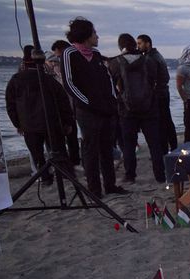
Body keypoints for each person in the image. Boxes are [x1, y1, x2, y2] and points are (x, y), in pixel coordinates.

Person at [62, 18, 127, 197]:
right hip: (87, 112)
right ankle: (94, 189)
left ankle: (110, 185)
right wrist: (88, 103)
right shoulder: (69, 54)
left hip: (107, 110)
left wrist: (113, 102)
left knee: (106, 149)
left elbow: (108, 80)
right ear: (85, 35)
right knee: (90, 151)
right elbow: (69, 84)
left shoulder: (96, 54)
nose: (97, 36)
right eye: (94, 33)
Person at [5, 45, 74, 186]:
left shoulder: (16, 80)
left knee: (38, 156)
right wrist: (67, 122)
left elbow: (10, 105)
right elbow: (63, 102)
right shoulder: (48, 80)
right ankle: (66, 176)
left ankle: (46, 178)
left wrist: (17, 124)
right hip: (51, 122)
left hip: (29, 124)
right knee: (58, 152)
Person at [108, 33, 165, 184]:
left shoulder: (115, 63)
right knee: (154, 143)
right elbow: (155, 80)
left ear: (121, 46)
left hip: (127, 110)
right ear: (135, 44)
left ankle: (130, 175)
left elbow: (113, 85)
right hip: (149, 107)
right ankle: (160, 175)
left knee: (128, 144)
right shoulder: (149, 61)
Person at [136, 34, 177, 152]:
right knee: (167, 120)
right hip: (164, 92)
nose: (138, 46)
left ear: (147, 43)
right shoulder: (157, 55)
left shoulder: (150, 58)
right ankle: (173, 146)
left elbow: (150, 79)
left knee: (160, 123)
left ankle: (164, 150)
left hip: (158, 94)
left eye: (140, 43)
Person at [50, 39, 80, 166]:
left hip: (72, 104)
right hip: (68, 105)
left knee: (72, 135)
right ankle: (74, 160)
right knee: (70, 135)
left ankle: (74, 161)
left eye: (57, 55)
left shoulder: (69, 63)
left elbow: (66, 83)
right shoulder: (65, 63)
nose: (57, 58)